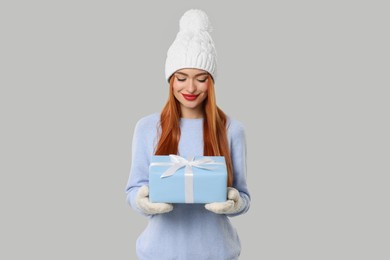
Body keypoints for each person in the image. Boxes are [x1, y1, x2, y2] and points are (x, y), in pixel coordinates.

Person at [125, 9, 250, 260]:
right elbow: (133, 189)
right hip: (159, 253)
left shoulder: (232, 130)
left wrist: (234, 201)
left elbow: (244, 197)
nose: (190, 88)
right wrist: (142, 201)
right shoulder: (148, 127)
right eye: (181, 78)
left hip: (217, 253)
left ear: (211, 82)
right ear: (171, 80)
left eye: (201, 78)